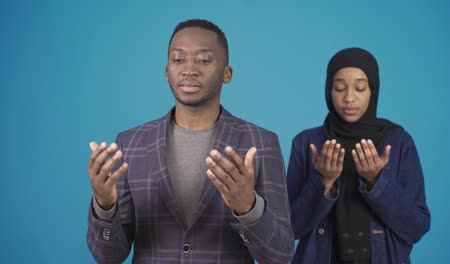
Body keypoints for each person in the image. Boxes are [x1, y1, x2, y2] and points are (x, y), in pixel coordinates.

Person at [86, 19, 294, 263]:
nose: (189, 69)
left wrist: (248, 207)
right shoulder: (130, 143)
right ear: (166, 72)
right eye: (178, 59)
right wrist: (104, 204)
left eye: (204, 60)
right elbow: (107, 256)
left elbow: (280, 255)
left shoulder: (261, 143)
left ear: (227, 73)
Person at [287, 47, 430, 264]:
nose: (349, 98)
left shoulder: (399, 142)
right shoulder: (306, 143)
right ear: (328, 90)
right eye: (340, 88)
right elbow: (290, 228)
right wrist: (323, 181)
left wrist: (377, 181)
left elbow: (416, 227)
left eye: (360, 88)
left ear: (373, 90)